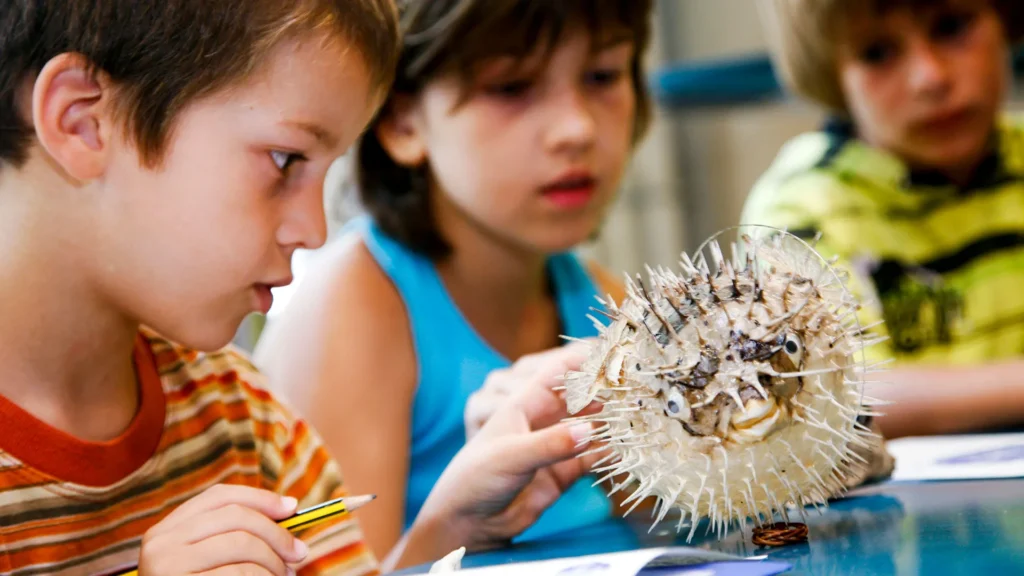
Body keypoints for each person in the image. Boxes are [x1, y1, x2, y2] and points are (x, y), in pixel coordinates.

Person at [0, 1, 607, 574]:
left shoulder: (247, 420)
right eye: (286, 160)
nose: (313, 231)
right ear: (82, 121)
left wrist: (454, 527)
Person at [253, 0, 654, 559]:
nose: (577, 128)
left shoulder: (607, 301)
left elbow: (681, 532)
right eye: (512, 87)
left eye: (603, 75)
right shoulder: (354, 310)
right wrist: (457, 525)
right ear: (402, 122)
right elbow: (329, 568)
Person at [744, 0, 1024, 438]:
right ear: (830, 72)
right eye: (877, 53)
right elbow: (833, 395)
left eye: (951, 26)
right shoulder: (798, 209)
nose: (930, 77)